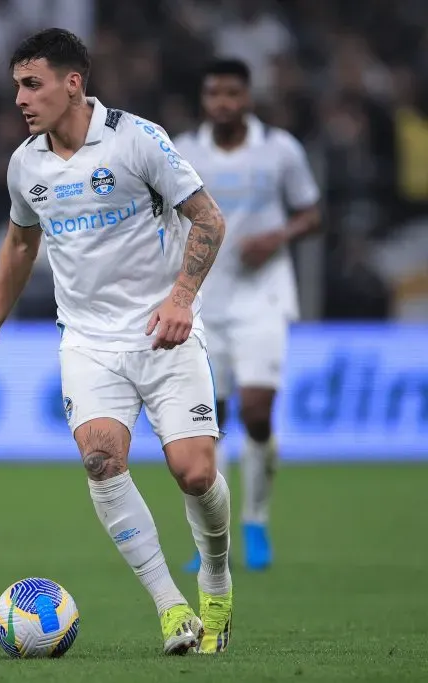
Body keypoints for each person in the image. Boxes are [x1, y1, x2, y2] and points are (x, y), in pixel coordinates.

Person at [0, 28, 232, 655]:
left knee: (193, 474)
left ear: (72, 82)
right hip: (86, 342)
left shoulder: (138, 140)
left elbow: (209, 219)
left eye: (33, 84)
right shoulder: (26, 164)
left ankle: (216, 579)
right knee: (101, 460)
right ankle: (172, 610)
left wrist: (182, 299)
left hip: (163, 334)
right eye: (17, 87)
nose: (22, 99)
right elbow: (22, 244)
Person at [174, 59, 321, 572]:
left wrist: (278, 237)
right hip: (204, 302)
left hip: (264, 297)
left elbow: (312, 211)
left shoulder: (280, 150)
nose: (223, 103)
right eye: (214, 93)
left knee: (256, 412)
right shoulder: (182, 152)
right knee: (206, 425)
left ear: (248, 98)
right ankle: (209, 538)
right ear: (204, 99)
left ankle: (255, 520)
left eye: (232, 93)